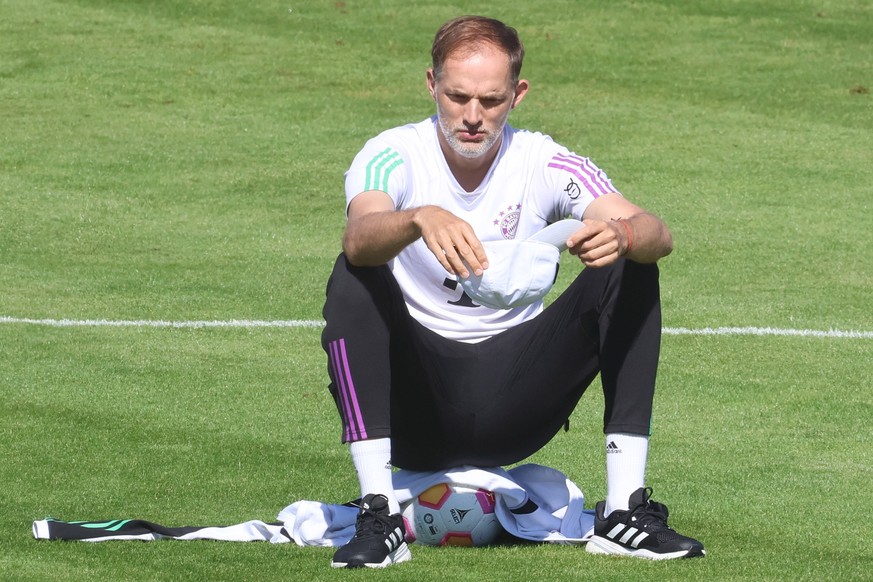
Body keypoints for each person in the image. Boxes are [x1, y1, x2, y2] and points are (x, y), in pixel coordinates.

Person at [321, 15, 705, 568]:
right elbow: (359, 237)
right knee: (355, 270)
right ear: (431, 84)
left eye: (491, 100)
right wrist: (418, 219)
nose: (473, 117)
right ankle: (378, 512)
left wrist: (621, 233)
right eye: (457, 97)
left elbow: (656, 231)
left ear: (517, 95)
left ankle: (623, 510)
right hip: (414, 403)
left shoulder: (544, 162)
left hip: (515, 397)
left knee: (632, 259)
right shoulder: (391, 154)